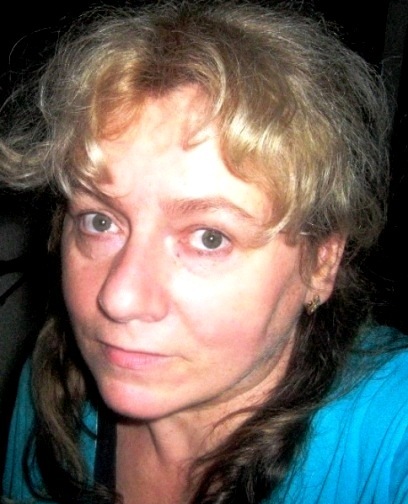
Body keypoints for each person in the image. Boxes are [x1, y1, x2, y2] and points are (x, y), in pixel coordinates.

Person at [1, 0, 407, 502]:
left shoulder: (393, 434)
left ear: (321, 261)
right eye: (100, 221)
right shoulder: (53, 389)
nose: (119, 298)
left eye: (209, 237)